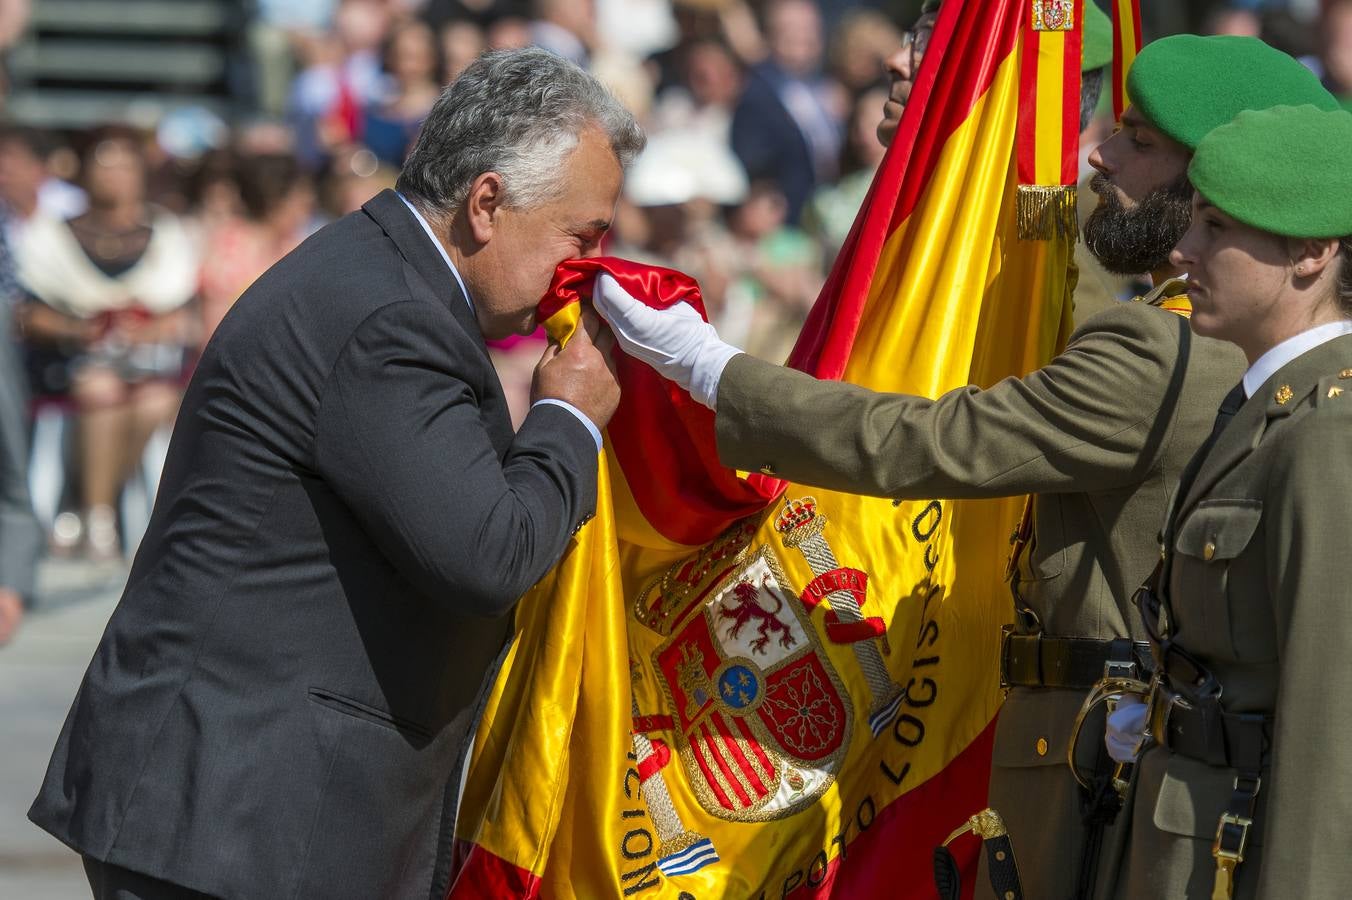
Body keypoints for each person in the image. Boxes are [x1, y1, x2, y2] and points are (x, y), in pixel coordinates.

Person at [594, 34, 1336, 900]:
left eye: (1137, 140)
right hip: (1083, 747)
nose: (1103, 152)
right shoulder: (1181, 334)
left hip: (1096, 759)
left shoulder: (1177, 351)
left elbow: (943, 438)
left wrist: (711, 371)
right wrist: (957, 143)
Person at [29, 47, 640, 899]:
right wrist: (568, 416)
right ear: (488, 203)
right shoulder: (393, 318)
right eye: (582, 237)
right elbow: (489, 554)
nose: (586, 270)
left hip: (246, 804)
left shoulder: (387, 280)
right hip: (240, 814)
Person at [1107, 103, 1352, 900]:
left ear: (1312, 254)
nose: (1182, 249)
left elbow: (1331, 720)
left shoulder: (1326, 432)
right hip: (1192, 839)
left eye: (1217, 228)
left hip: (1241, 857)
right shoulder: (1266, 403)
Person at [15, 127, 198, 560]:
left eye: (124, 164)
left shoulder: (165, 233)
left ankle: (89, 502)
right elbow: (30, 314)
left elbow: (181, 312)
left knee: (155, 400)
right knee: (100, 388)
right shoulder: (51, 234)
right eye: (104, 161)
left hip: (144, 365)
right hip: (68, 365)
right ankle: (99, 516)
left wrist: (148, 330)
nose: (114, 174)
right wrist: (78, 330)